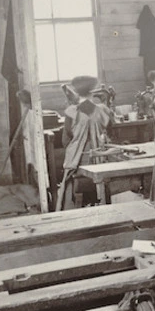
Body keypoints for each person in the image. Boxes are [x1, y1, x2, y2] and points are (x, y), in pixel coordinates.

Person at [58, 75, 113, 210]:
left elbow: (65, 141)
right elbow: (110, 132)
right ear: (93, 91)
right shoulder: (102, 110)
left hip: (77, 162)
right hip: (99, 159)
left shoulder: (72, 111)